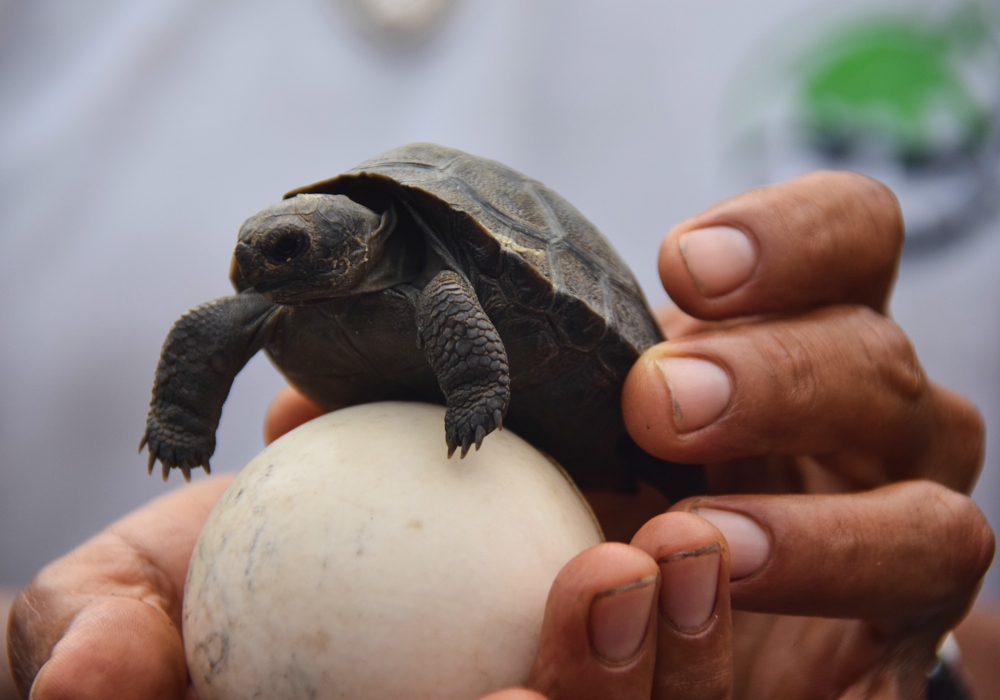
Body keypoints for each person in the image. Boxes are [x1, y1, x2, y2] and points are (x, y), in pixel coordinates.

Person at [6, 172, 995, 699]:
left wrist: (927, 666)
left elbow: (444, 288)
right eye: (256, 253)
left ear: (361, 238)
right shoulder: (283, 295)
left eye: (291, 250)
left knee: (519, 346)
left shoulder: (436, 270)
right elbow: (210, 332)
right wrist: (180, 418)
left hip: (595, 433)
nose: (263, 267)